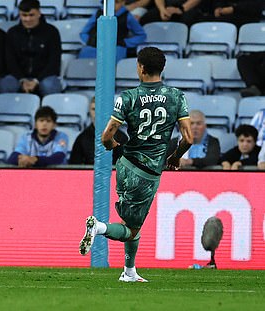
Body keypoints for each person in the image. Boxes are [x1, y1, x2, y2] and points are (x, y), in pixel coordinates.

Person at [79, 47, 193, 282]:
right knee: (131, 230)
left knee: (132, 224)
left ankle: (129, 272)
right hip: (148, 171)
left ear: (140, 67)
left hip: (125, 164)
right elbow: (189, 138)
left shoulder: (128, 97)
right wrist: (174, 156)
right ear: (162, 68)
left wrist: (112, 145)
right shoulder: (176, 96)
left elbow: (106, 135)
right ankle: (99, 228)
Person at [0, 0, 62, 97]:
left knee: (50, 85)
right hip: (18, 76)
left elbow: (54, 61)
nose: (28, 19)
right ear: (19, 15)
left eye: (31, 15)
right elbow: (10, 61)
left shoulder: (51, 32)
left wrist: (37, 80)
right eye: (24, 15)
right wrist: (22, 79)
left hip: (45, 76)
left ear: (39, 13)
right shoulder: (12, 33)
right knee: (6, 84)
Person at [79, 0, 147, 62]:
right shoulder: (98, 13)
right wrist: (90, 41)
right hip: (95, 47)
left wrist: (124, 43)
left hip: (116, 49)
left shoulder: (127, 16)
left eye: (116, 2)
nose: (113, 4)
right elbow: (84, 33)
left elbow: (141, 35)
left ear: (123, 2)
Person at [69, 97, 128, 165]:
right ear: (89, 111)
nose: (97, 113)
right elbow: (74, 166)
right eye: (93, 109)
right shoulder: (82, 138)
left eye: (101, 109)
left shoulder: (121, 138)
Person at [140, 0, 211, 26]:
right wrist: (162, 9)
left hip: (186, 8)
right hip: (166, 7)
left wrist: (181, 9)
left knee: (189, 19)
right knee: (147, 18)